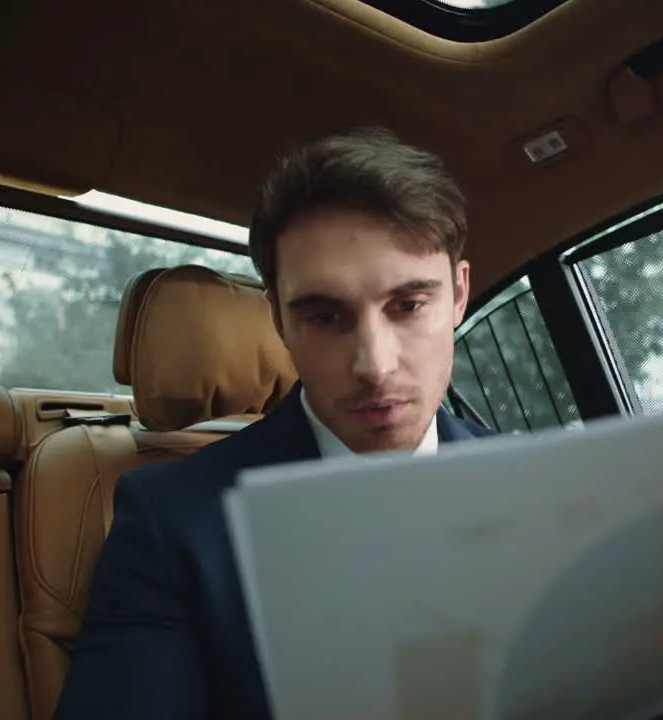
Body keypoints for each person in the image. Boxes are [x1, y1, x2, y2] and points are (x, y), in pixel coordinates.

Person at [55, 127, 493, 719]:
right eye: (323, 315)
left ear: (460, 295)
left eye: (409, 306)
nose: (375, 365)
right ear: (279, 321)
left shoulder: (537, 480)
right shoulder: (172, 526)